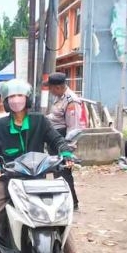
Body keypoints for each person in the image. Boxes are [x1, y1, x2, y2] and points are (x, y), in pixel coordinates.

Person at [0, 78, 96, 253]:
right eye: (12, 97)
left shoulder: (39, 121)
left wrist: (66, 153)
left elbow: (56, 139)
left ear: (27, 99)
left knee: (58, 217)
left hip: (39, 179)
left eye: (20, 96)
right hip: (8, 180)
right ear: (6, 101)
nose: (16, 100)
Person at [44, 72, 85, 211]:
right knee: (55, 172)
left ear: (58, 87)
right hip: (55, 139)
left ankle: (72, 203)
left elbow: (74, 126)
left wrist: (68, 149)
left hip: (63, 140)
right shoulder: (60, 98)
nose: (49, 90)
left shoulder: (71, 100)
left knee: (64, 172)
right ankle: (61, 202)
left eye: (50, 88)